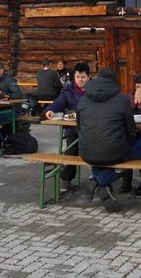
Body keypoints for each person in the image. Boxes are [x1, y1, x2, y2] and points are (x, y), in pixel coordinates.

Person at [77, 68, 141, 212]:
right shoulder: (122, 99)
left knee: (100, 150)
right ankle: (99, 181)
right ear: (115, 82)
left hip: (86, 151)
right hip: (113, 152)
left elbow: (79, 126)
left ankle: (101, 184)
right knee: (138, 149)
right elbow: (130, 129)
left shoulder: (83, 98)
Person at [44, 61, 90, 192]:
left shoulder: (95, 89)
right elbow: (58, 102)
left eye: (83, 77)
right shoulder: (68, 89)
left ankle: (98, 179)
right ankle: (66, 180)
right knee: (71, 150)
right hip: (73, 128)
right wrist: (51, 109)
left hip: (91, 128)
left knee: (95, 149)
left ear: (88, 77)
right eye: (78, 77)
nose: (80, 80)